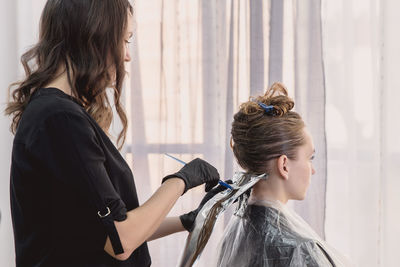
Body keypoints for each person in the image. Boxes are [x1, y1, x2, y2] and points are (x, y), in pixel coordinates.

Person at [5, 1, 220, 266]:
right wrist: (182, 180)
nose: (127, 56)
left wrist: (187, 220)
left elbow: (102, 232)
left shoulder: (57, 114)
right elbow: (121, 240)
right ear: (95, 37)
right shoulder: (60, 119)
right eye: (125, 40)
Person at [215, 82, 351, 266]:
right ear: (284, 165)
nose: (313, 170)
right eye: (310, 157)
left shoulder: (234, 235)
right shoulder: (302, 249)